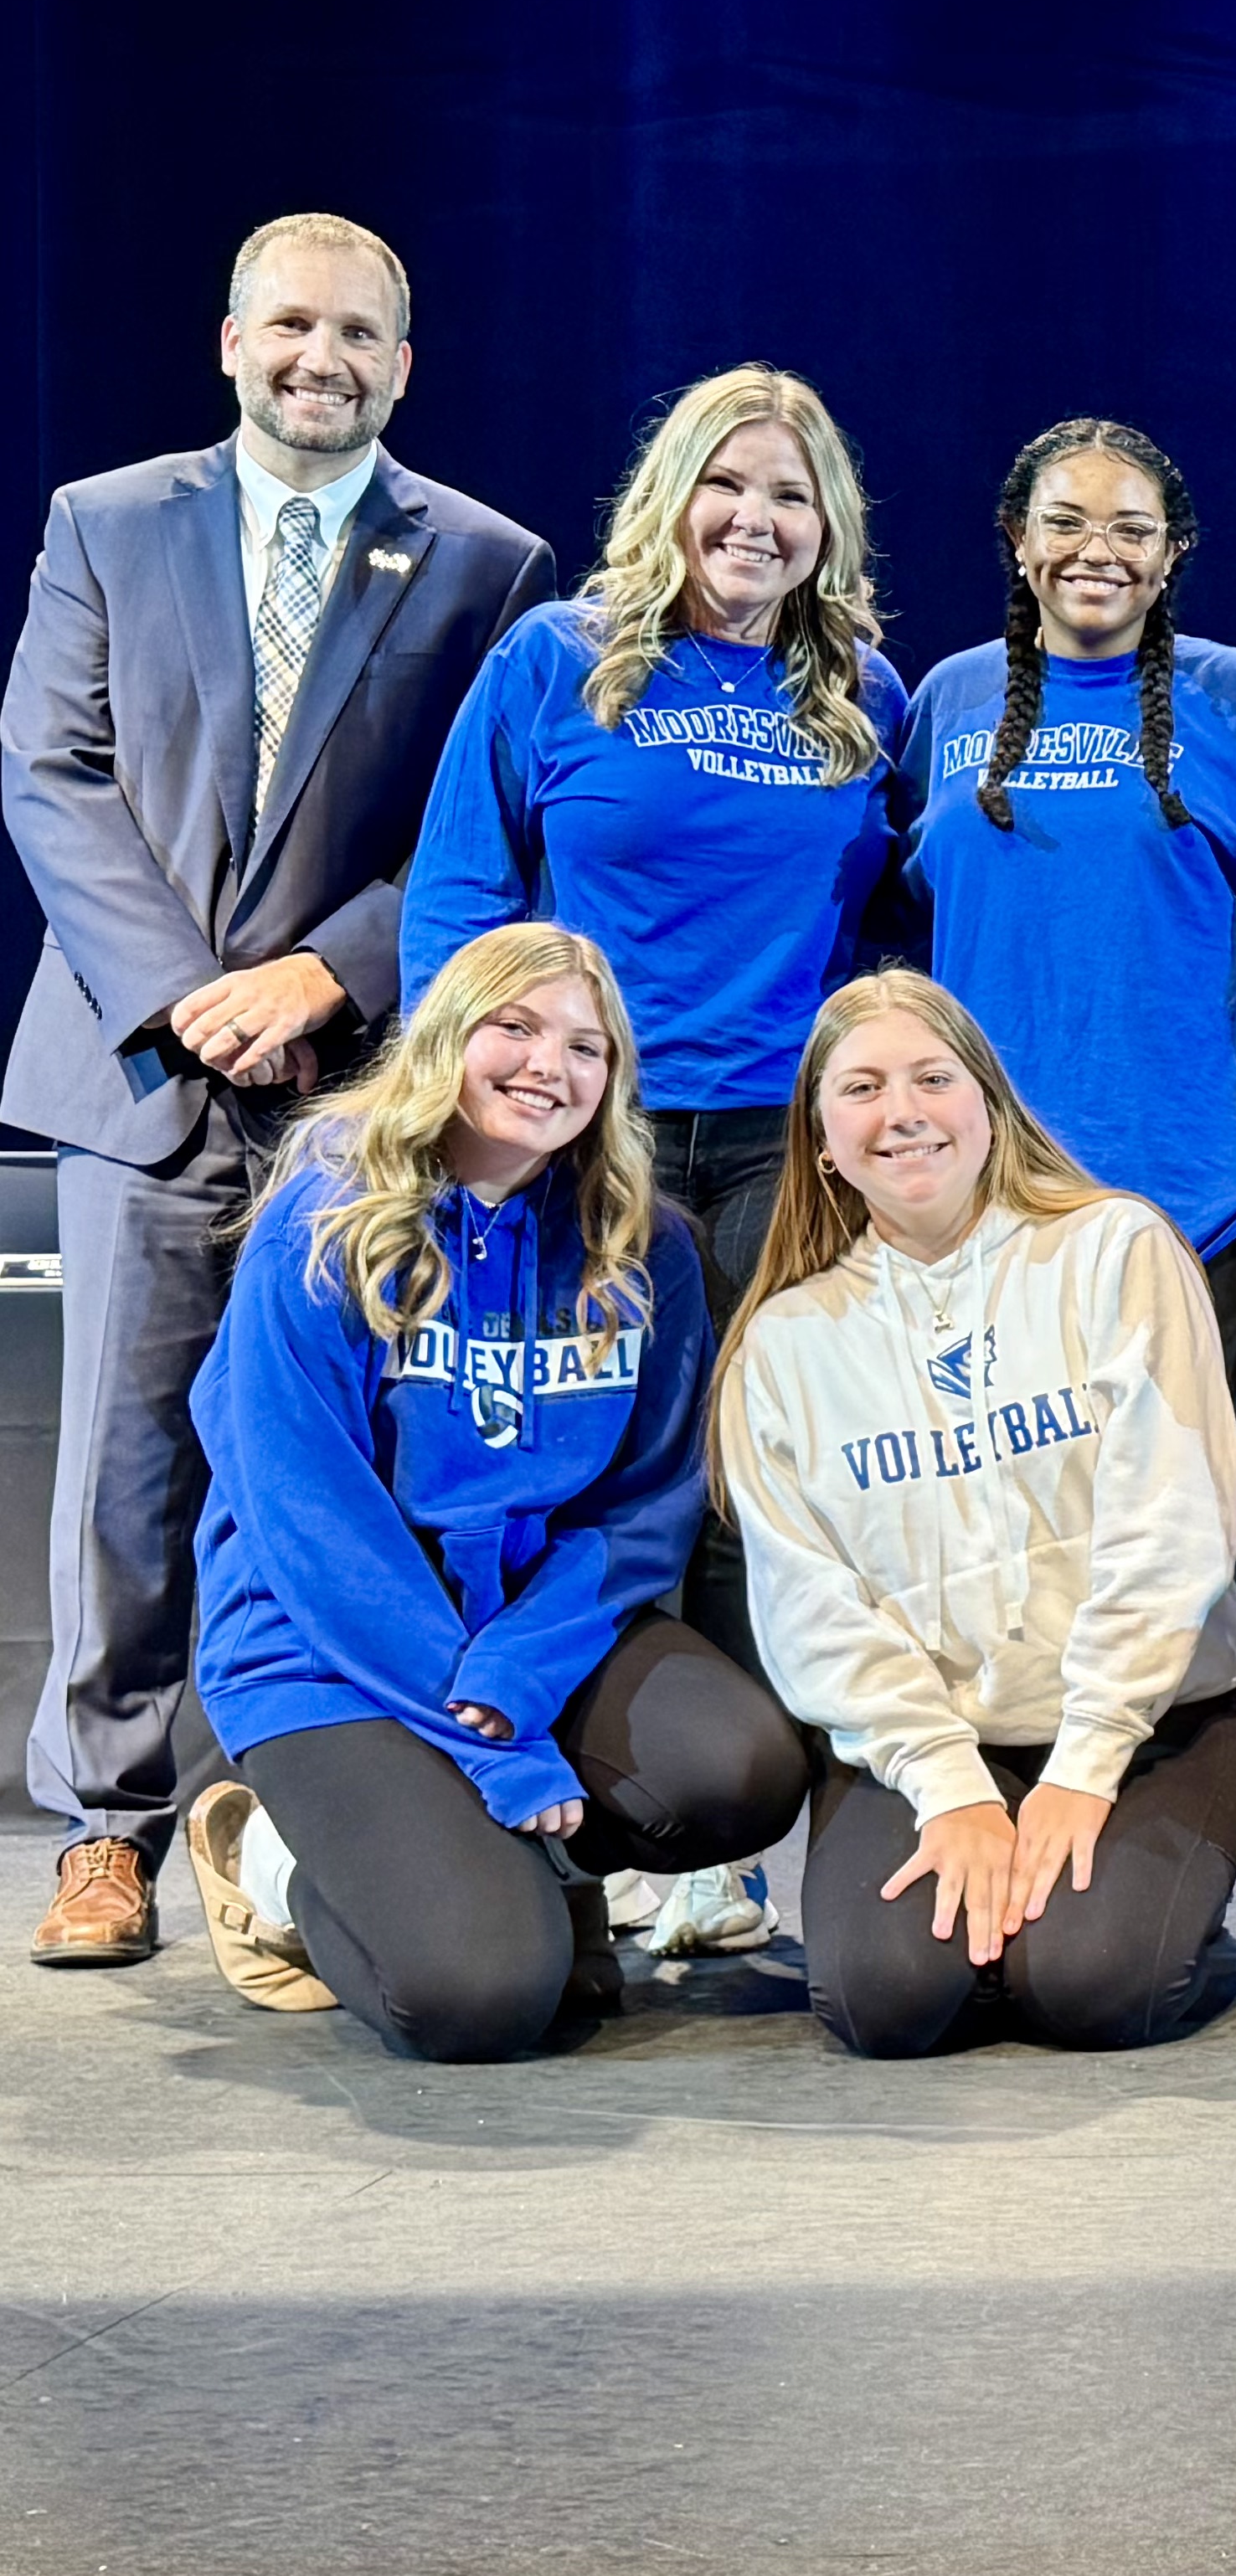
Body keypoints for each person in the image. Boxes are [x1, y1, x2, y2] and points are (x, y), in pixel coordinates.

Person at [6, 213, 555, 1965]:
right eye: (293, 325)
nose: (323, 358)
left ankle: (298, 1810)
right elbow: (50, 772)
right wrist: (190, 999)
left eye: (361, 335)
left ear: (405, 363)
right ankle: (110, 1821)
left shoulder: (487, 563)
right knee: (125, 1460)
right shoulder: (105, 521)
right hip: (142, 1074)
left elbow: (481, 828)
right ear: (231, 339)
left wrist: (330, 975)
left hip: (355, 1090)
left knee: (346, 1465)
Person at [170, 925, 807, 2057]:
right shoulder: (324, 1217)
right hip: (326, 1644)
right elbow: (311, 1521)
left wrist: (520, 1672)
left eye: (586, 1046)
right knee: (482, 1995)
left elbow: (640, 1509)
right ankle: (271, 1862)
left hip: (527, 1631)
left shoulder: (641, 1245)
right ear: (444, 1038)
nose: (546, 1067)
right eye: (513, 1027)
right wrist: (498, 1747)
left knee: (737, 1770)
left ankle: (535, 1862)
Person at [716, 973, 1236, 2057]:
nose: (902, 1110)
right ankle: (1010, 1899)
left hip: (1147, 1718)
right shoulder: (783, 1342)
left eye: (932, 1077)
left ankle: (1134, 1910)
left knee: (1089, 1985)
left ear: (989, 1101)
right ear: (822, 1137)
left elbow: (1173, 1528)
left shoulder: (1116, 1249)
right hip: (929, 1737)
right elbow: (810, 1609)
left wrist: (1083, 1765)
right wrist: (953, 1786)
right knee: (886, 2003)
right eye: (862, 1087)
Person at [401, 364, 909, 1316]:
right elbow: (459, 895)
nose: (754, 518)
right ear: (670, 493)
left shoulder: (866, 694)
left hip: (787, 1129)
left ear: (828, 525)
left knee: (764, 1424)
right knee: (593, 1413)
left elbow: (897, 912)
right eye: (724, 483)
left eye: (790, 495)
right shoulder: (556, 656)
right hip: (591, 1116)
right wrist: (456, 1103)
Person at [898, 417, 1236, 1385]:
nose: (1097, 552)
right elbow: (897, 910)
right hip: (978, 1180)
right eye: (1066, 522)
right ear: (1019, 537)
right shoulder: (952, 698)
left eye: (1131, 529)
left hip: (1192, 1180)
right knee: (989, 1515)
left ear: (1172, 554)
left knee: (1168, 1518)